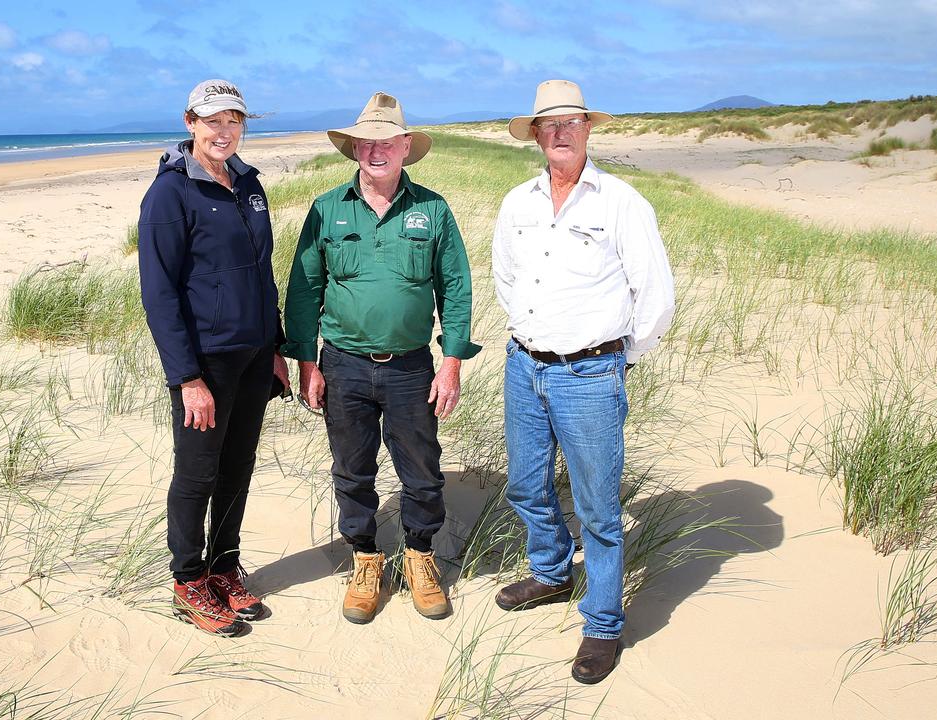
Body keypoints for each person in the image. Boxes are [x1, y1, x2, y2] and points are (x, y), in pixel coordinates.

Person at [491, 79, 675, 683]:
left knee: (598, 508)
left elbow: (655, 298)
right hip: (524, 365)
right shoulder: (518, 202)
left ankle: (602, 623)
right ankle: (550, 571)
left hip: (591, 372)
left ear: (588, 129)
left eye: (572, 122)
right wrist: (529, 334)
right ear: (537, 135)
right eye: (551, 124)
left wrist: (613, 357)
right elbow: (506, 278)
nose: (562, 132)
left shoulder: (621, 202)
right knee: (524, 482)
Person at [281, 92, 480, 624]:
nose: (377, 150)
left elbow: (455, 287)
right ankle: (366, 560)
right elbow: (304, 288)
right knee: (352, 469)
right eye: (367, 141)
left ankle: (419, 556)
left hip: (413, 365)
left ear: (405, 146)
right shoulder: (326, 208)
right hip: (342, 364)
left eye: (387, 141)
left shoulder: (432, 209)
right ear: (354, 149)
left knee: (422, 470)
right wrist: (306, 360)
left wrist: (452, 361)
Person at [138, 79, 290, 637]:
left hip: (252, 358)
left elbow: (262, 272)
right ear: (190, 123)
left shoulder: (249, 184)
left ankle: (225, 566)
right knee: (197, 472)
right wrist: (186, 378)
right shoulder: (169, 193)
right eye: (213, 120)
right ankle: (188, 580)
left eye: (234, 121)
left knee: (238, 467)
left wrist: (274, 346)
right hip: (204, 362)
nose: (224, 131)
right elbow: (159, 294)